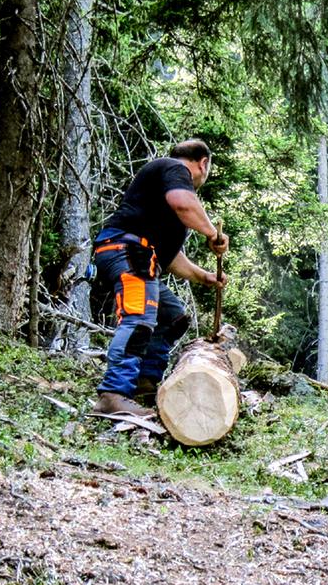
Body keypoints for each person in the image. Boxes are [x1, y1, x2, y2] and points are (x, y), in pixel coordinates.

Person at [90, 139, 229, 417]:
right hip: (127, 250)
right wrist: (213, 234)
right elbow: (183, 203)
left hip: (136, 253)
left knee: (173, 317)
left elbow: (171, 257)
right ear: (203, 163)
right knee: (139, 317)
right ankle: (114, 394)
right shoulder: (174, 170)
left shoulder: (163, 195)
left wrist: (204, 276)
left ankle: (144, 383)